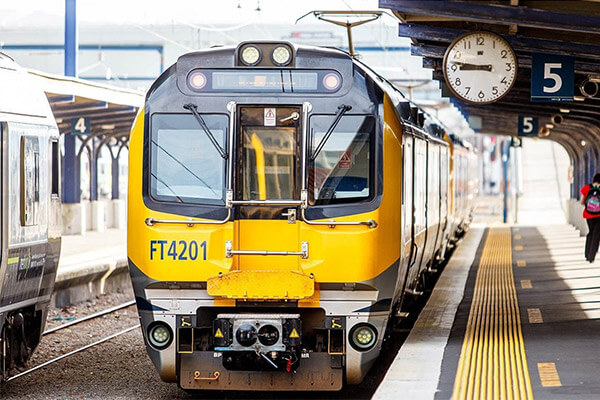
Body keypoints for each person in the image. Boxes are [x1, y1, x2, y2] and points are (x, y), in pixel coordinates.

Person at [581, 173, 600, 262]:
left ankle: (587, 254)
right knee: (596, 235)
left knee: (591, 233)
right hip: (599, 216)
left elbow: (582, 201)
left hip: (588, 215)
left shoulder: (586, 188)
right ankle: (591, 256)